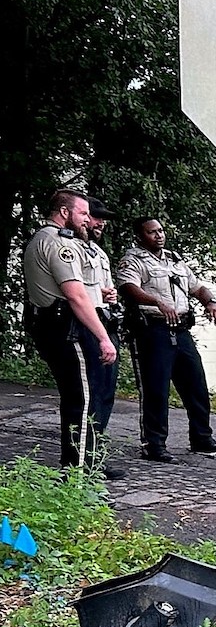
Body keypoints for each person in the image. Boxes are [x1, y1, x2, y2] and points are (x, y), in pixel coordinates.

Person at [116, 217, 216, 462]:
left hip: (181, 329)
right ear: (140, 236)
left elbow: (197, 287)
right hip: (153, 329)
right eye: (152, 232)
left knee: (196, 384)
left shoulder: (174, 259)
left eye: (161, 230)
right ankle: (154, 444)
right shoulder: (133, 260)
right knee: (156, 388)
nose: (159, 235)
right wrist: (156, 301)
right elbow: (128, 288)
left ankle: (201, 438)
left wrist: (210, 302)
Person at [22, 189, 118, 472]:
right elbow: (75, 296)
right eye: (83, 213)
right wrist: (103, 338)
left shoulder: (53, 240)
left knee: (83, 398)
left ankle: (83, 467)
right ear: (65, 213)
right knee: (83, 402)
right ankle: (78, 477)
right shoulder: (57, 242)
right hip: (67, 328)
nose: (89, 220)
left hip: (61, 324)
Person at [79, 196, 123, 448]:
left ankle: (95, 453)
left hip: (105, 321)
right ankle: (84, 455)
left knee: (106, 392)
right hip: (88, 325)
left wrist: (109, 294)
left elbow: (101, 287)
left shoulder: (98, 252)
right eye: (97, 217)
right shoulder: (72, 248)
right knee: (92, 392)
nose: (101, 223)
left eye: (103, 219)